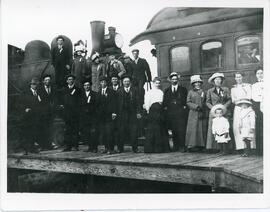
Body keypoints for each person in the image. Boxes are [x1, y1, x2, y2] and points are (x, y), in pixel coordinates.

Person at [116, 74, 142, 153]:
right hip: (122, 114)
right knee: (121, 131)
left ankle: (135, 148)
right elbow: (116, 104)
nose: (126, 83)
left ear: (130, 82)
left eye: (128, 81)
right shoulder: (119, 91)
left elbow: (138, 103)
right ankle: (120, 148)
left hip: (132, 114)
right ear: (122, 82)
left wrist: (138, 112)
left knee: (134, 131)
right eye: (125, 81)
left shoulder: (135, 90)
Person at [206, 73, 231, 152]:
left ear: (221, 80)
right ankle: (214, 148)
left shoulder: (226, 89)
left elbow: (229, 100)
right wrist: (213, 108)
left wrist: (224, 107)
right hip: (214, 113)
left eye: (219, 79)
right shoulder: (210, 91)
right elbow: (207, 102)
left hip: (223, 112)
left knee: (224, 129)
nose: (217, 80)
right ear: (213, 81)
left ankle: (226, 149)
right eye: (216, 79)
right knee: (214, 129)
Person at [163, 72, 188, 152]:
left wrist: (183, 108)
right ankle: (175, 146)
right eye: (173, 79)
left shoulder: (183, 90)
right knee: (173, 130)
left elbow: (185, 101)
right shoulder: (167, 90)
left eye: (175, 79)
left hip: (180, 113)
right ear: (170, 80)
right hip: (171, 113)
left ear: (178, 80)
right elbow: (165, 102)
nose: (174, 80)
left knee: (181, 130)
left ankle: (182, 146)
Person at [144, 77, 169, 153]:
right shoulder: (149, 92)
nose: (157, 84)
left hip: (160, 111)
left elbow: (163, 101)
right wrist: (148, 110)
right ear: (153, 83)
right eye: (156, 83)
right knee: (153, 129)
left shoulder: (161, 92)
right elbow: (147, 102)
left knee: (160, 129)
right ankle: (151, 148)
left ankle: (161, 148)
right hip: (153, 111)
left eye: (159, 83)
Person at [231, 72, 252, 152]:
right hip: (238, 108)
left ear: (242, 77)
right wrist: (240, 100)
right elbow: (233, 100)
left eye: (240, 77)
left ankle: (249, 148)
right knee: (237, 127)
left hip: (246, 106)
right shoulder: (233, 88)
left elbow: (249, 97)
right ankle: (240, 147)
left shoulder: (247, 86)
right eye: (237, 77)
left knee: (247, 126)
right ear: (235, 78)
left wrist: (241, 100)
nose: (238, 78)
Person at [185, 75, 207, 152]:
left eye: (198, 82)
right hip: (193, 113)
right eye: (195, 82)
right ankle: (192, 145)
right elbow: (188, 102)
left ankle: (201, 145)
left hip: (202, 112)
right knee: (193, 129)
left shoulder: (204, 92)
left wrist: (203, 107)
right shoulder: (190, 92)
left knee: (201, 129)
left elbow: (205, 101)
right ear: (193, 84)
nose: (197, 84)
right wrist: (196, 106)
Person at [20, 77, 41, 155]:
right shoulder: (25, 93)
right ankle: (25, 149)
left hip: (35, 116)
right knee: (27, 133)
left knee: (34, 132)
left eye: (36, 84)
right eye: (33, 84)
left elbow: (39, 103)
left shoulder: (37, 93)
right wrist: (25, 109)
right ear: (30, 85)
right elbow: (20, 103)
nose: (34, 86)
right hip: (28, 116)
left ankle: (32, 148)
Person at [60, 74, 81, 151]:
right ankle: (68, 146)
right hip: (67, 114)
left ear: (74, 80)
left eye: (71, 79)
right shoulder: (64, 90)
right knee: (68, 130)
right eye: (69, 79)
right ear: (67, 81)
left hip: (75, 114)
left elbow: (80, 102)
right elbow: (62, 101)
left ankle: (75, 146)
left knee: (75, 130)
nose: (70, 81)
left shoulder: (78, 90)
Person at [97, 76, 117, 154]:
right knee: (104, 132)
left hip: (109, 115)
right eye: (101, 82)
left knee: (110, 132)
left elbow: (114, 103)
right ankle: (106, 147)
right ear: (100, 83)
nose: (103, 83)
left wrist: (114, 112)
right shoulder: (99, 92)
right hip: (102, 116)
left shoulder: (111, 91)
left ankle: (110, 148)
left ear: (107, 83)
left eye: (104, 82)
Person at [38, 74, 57, 150]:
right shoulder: (39, 90)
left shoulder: (53, 88)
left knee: (50, 128)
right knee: (44, 128)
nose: (47, 81)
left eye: (49, 80)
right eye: (46, 80)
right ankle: (44, 145)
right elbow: (39, 101)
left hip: (51, 112)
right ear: (43, 81)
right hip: (43, 112)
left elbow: (55, 99)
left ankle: (50, 144)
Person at [80, 78, 98, 153]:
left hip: (92, 116)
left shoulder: (94, 94)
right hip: (85, 117)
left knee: (93, 132)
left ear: (90, 86)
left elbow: (97, 106)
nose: (87, 86)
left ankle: (94, 147)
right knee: (87, 132)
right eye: (85, 85)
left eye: (88, 85)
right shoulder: (81, 95)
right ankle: (90, 147)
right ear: (83, 86)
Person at [252, 68, 263, 155]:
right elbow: (254, 99)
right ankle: (260, 150)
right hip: (258, 108)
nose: (260, 75)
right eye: (258, 73)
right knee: (260, 128)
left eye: (261, 73)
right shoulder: (254, 86)